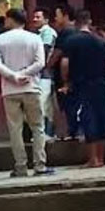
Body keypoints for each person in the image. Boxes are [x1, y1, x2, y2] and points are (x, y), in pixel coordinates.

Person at [0, 9, 52, 178]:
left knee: (15, 129)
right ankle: (40, 165)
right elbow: (40, 63)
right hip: (31, 87)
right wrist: (25, 74)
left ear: (11, 20)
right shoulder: (34, 38)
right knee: (37, 127)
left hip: (10, 90)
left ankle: (20, 166)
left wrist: (13, 76)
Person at [60, 10, 105, 167]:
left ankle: (92, 159)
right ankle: (101, 159)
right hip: (100, 84)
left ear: (76, 23)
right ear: (89, 22)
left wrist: (66, 81)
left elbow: (65, 64)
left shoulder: (71, 41)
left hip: (82, 84)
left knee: (87, 118)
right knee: (101, 119)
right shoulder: (101, 41)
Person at [46, 4, 80, 140]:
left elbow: (58, 53)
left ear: (65, 16)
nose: (55, 18)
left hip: (64, 76)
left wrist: (47, 65)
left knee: (66, 106)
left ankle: (68, 132)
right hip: (77, 74)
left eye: (57, 15)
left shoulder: (65, 33)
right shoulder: (77, 32)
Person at [32, 8, 58, 138]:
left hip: (45, 74)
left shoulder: (47, 32)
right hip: (43, 74)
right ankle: (48, 132)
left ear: (46, 19)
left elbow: (45, 50)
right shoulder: (38, 33)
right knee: (47, 105)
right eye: (34, 17)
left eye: (38, 17)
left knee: (42, 103)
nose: (35, 19)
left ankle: (45, 133)